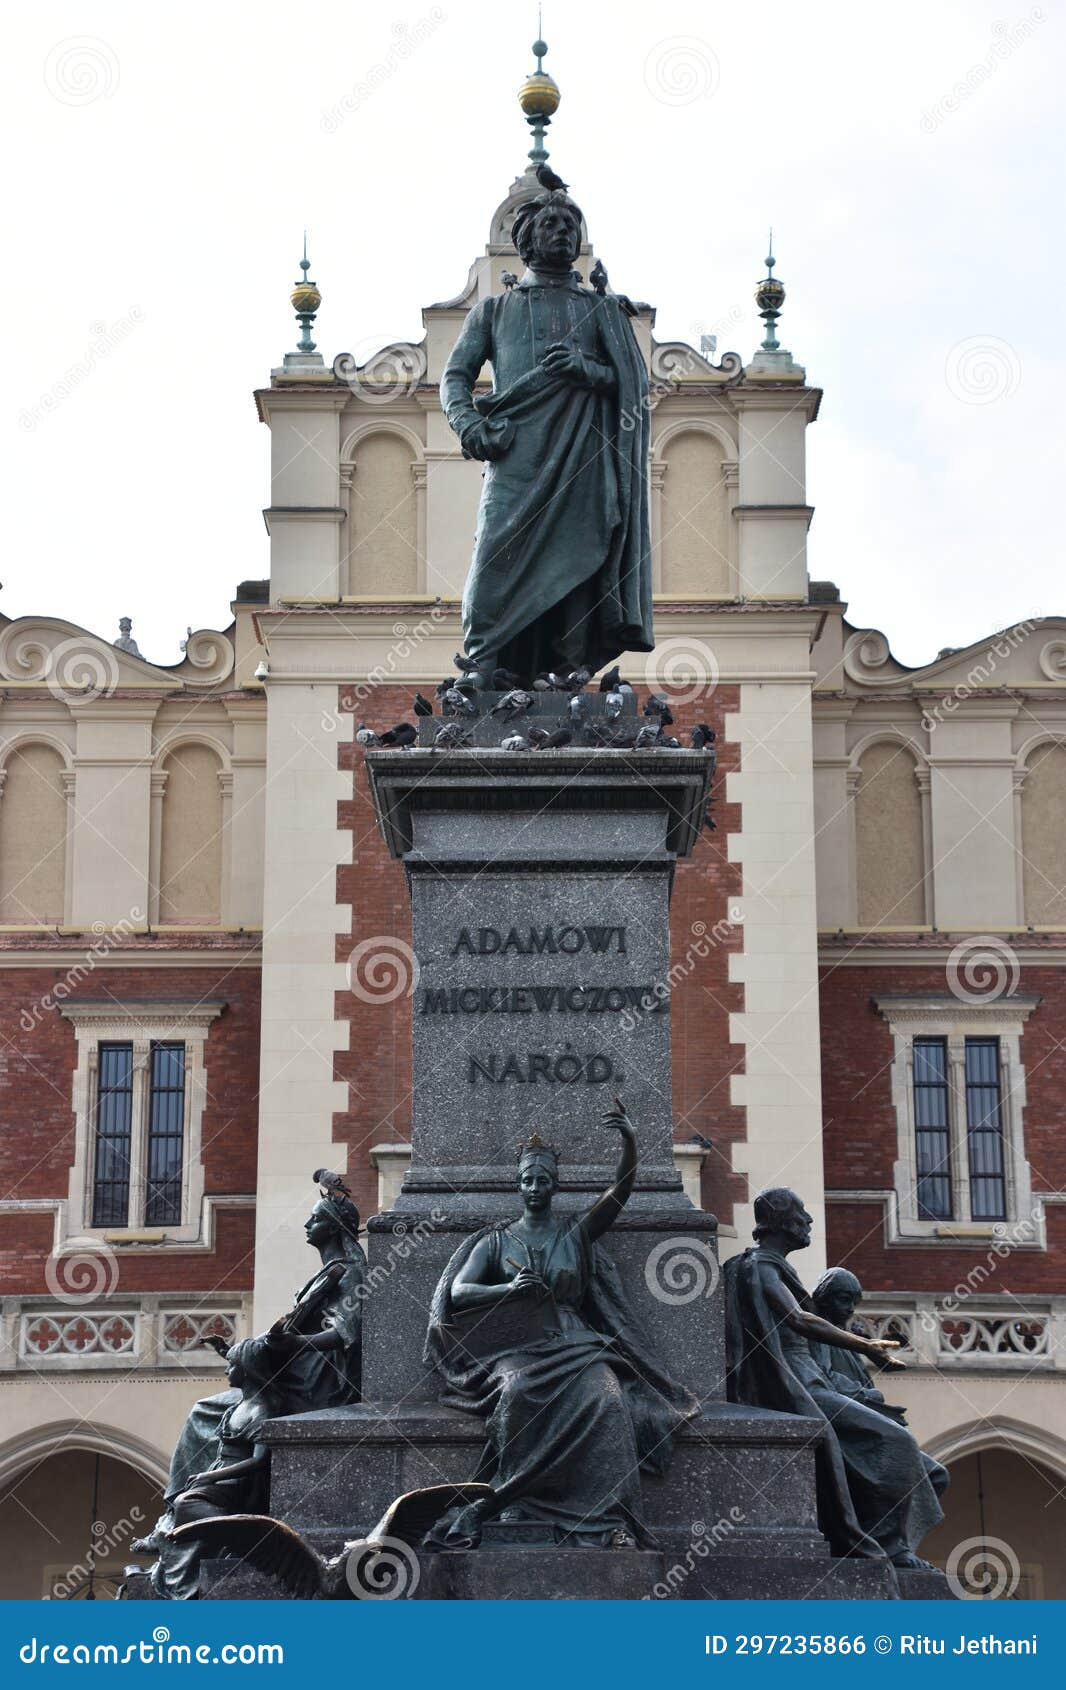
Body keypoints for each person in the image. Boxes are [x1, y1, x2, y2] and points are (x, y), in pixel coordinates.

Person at [423, 1105, 697, 1547]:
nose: (534, 1188)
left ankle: (608, 1515)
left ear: (555, 1185)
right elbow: (459, 1293)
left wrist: (630, 1143)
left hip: (576, 1342)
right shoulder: (495, 1240)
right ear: (518, 1185)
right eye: (528, 1180)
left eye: (543, 1180)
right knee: (516, 1392)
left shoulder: (575, 1233)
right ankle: (513, 1499)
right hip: (517, 1343)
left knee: (609, 1397)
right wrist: (508, 1290)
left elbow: (619, 1194)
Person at [441, 186, 653, 684]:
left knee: (580, 554)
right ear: (527, 240)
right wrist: (470, 425)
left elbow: (634, 386)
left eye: (569, 226)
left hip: (584, 455)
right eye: (550, 225)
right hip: (516, 452)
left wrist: (587, 370)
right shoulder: (493, 311)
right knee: (494, 553)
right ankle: (482, 662)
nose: (563, 233)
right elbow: (455, 377)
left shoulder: (601, 311)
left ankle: (567, 668)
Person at [724, 1188, 946, 1566]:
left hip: (811, 1380)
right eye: (801, 1212)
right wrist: (867, 1346)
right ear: (780, 1220)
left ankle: (890, 1543)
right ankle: (887, 1547)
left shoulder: (772, 1266)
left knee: (912, 1458)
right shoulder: (762, 1266)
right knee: (895, 1442)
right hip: (796, 1384)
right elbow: (799, 1319)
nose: (809, 1220)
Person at [809, 1266, 947, 1562]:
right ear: (822, 1298)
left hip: (861, 1418)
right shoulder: (817, 1332)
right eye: (842, 1299)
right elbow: (822, 1379)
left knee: (935, 1475)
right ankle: (886, 1546)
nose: (848, 1309)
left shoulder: (846, 1340)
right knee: (899, 1450)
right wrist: (869, 1397)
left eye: (852, 1302)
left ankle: (897, 1544)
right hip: (843, 1431)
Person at [151, 1335, 285, 1599]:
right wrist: (230, 1352)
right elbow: (260, 1351)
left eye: (232, 1366)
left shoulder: (261, 1410)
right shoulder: (241, 1405)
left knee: (186, 1505)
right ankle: (184, 1539)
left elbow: (258, 1460)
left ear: (246, 1371)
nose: (226, 1370)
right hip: (219, 1476)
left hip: (232, 1484)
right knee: (184, 1503)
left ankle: (226, 1537)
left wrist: (210, 1474)